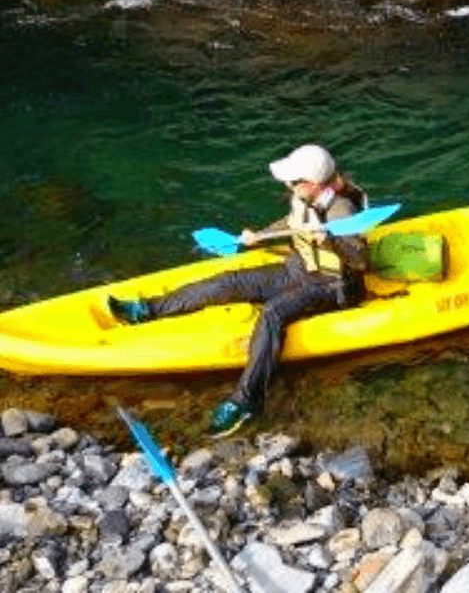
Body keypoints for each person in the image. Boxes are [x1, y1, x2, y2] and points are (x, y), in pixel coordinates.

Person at [108, 144, 368, 437]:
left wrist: (329, 241)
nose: (286, 185)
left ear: (310, 184)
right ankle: (148, 310)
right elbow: (294, 223)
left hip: (331, 285)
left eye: (291, 181)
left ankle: (246, 402)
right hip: (297, 270)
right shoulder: (307, 196)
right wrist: (261, 236)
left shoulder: (342, 210)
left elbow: (360, 262)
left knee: (273, 313)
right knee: (228, 282)